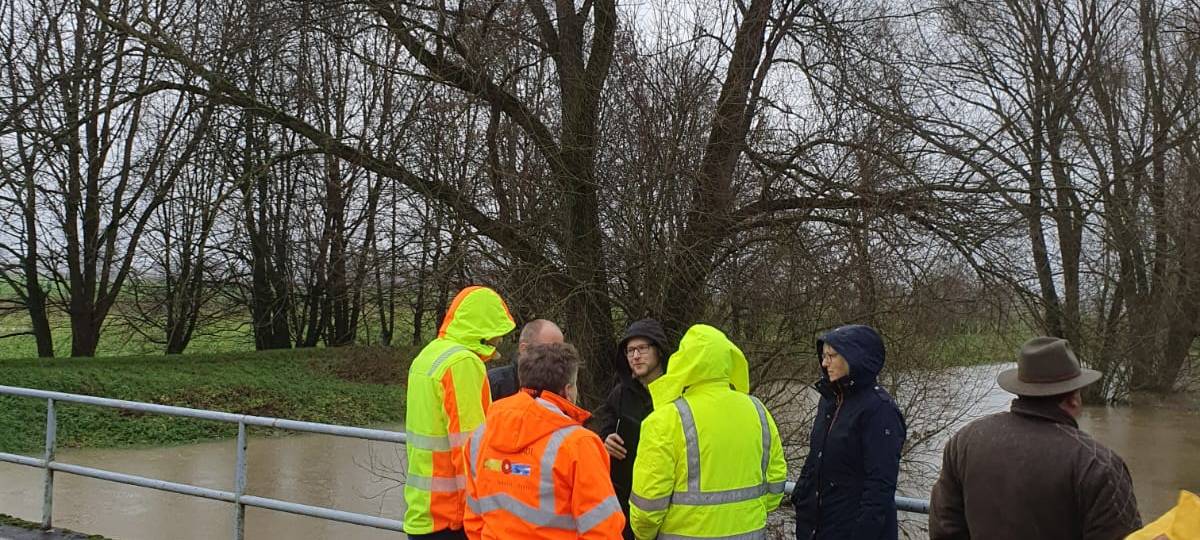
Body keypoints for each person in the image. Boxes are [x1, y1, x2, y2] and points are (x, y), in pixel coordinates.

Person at [929, 336, 1142, 540]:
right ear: (1075, 399)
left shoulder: (965, 440)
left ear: (1022, 389)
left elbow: (944, 529)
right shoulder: (1098, 464)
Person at [629, 324, 787, 540]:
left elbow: (648, 508)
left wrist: (644, 535)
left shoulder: (666, 419)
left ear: (684, 362)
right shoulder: (758, 411)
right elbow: (776, 483)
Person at [463, 342, 625, 539]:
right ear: (568, 390)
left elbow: (474, 517)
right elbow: (603, 529)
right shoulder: (579, 444)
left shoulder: (480, 436)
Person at [404, 286, 516, 540]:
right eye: (499, 332)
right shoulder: (463, 363)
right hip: (452, 517)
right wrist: (480, 520)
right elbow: (470, 448)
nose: (500, 339)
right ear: (486, 329)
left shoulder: (430, 355)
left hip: (423, 510)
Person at [791, 324, 907, 540]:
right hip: (817, 528)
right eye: (823, 356)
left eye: (832, 356)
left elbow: (879, 487)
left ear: (855, 358)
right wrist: (801, 496)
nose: (824, 363)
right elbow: (815, 460)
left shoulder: (880, 409)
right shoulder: (830, 401)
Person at [594, 318, 669, 540]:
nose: (635, 356)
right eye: (630, 351)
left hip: (668, 502)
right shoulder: (620, 393)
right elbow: (605, 426)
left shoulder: (678, 392)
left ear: (659, 350)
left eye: (642, 349)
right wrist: (606, 440)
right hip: (626, 500)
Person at [487, 319, 564, 401]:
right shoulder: (494, 383)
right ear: (524, 349)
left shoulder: (559, 387)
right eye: (548, 350)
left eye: (560, 351)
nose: (556, 358)